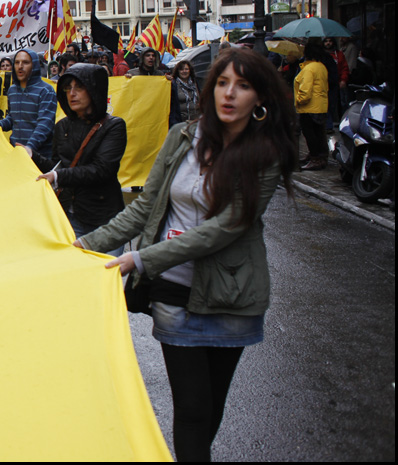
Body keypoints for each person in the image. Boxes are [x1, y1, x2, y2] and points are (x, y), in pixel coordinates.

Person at [78, 47, 297, 462]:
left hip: (231, 296)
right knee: (192, 410)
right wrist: (84, 246)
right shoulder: (181, 137)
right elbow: (144, 208)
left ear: (260, 99)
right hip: (174, 295)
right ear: (209, 89)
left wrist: (141, 259)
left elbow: (226, 227)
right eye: (222, 83)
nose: (230, 94)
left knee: (210, 409)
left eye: (244, 86)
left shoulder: (265, 154)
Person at [35, 63, 127, 247]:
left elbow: (101, 170)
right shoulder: (62, 126)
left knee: (105, 273)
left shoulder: (114, 126)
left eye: (79, 87)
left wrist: (58, 176)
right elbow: (58, 166)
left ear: (94, 89)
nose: (72, 93)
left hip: (104, 218)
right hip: (70, 216)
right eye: (68, 88)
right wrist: (30, 155)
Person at [0, 48, 57, 169]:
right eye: (17, 62)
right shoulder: (12, 90)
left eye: (25, 62)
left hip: (39, 157)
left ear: (34, 65)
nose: (20, 66)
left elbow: (45, 125)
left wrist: (29, 148)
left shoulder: (46, 90)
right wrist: (0, 124)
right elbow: (12, 117)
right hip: (16, 154)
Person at [295, 39, 329, 171]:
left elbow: (305, 91)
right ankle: (319, 156)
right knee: (319, 133)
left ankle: (315, 157)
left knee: (310, 134)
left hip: (309, 107)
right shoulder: (321, 67)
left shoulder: (309, 69)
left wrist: (298, 100)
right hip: (320, 105)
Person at [169, 60, 202, 126]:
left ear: (190, 70)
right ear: (177, 71)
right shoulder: (173, 85)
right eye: (181, 69)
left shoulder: (195, 83)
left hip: (196, 122)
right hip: (180, 123)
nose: (184, 71)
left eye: (186, 69)